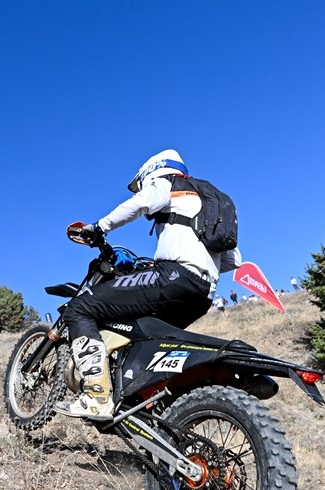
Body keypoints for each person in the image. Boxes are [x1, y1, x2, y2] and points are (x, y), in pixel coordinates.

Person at [54, 149, 240, 420]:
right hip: (203, 293)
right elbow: (232, 260)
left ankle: (96, 397)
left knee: (80, 308)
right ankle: (143, 400)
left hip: (174, 278)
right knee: (144, 335)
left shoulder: (169, 183)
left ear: (153, 170)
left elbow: (141, 203)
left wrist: (100, 227)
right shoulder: (207, 201)